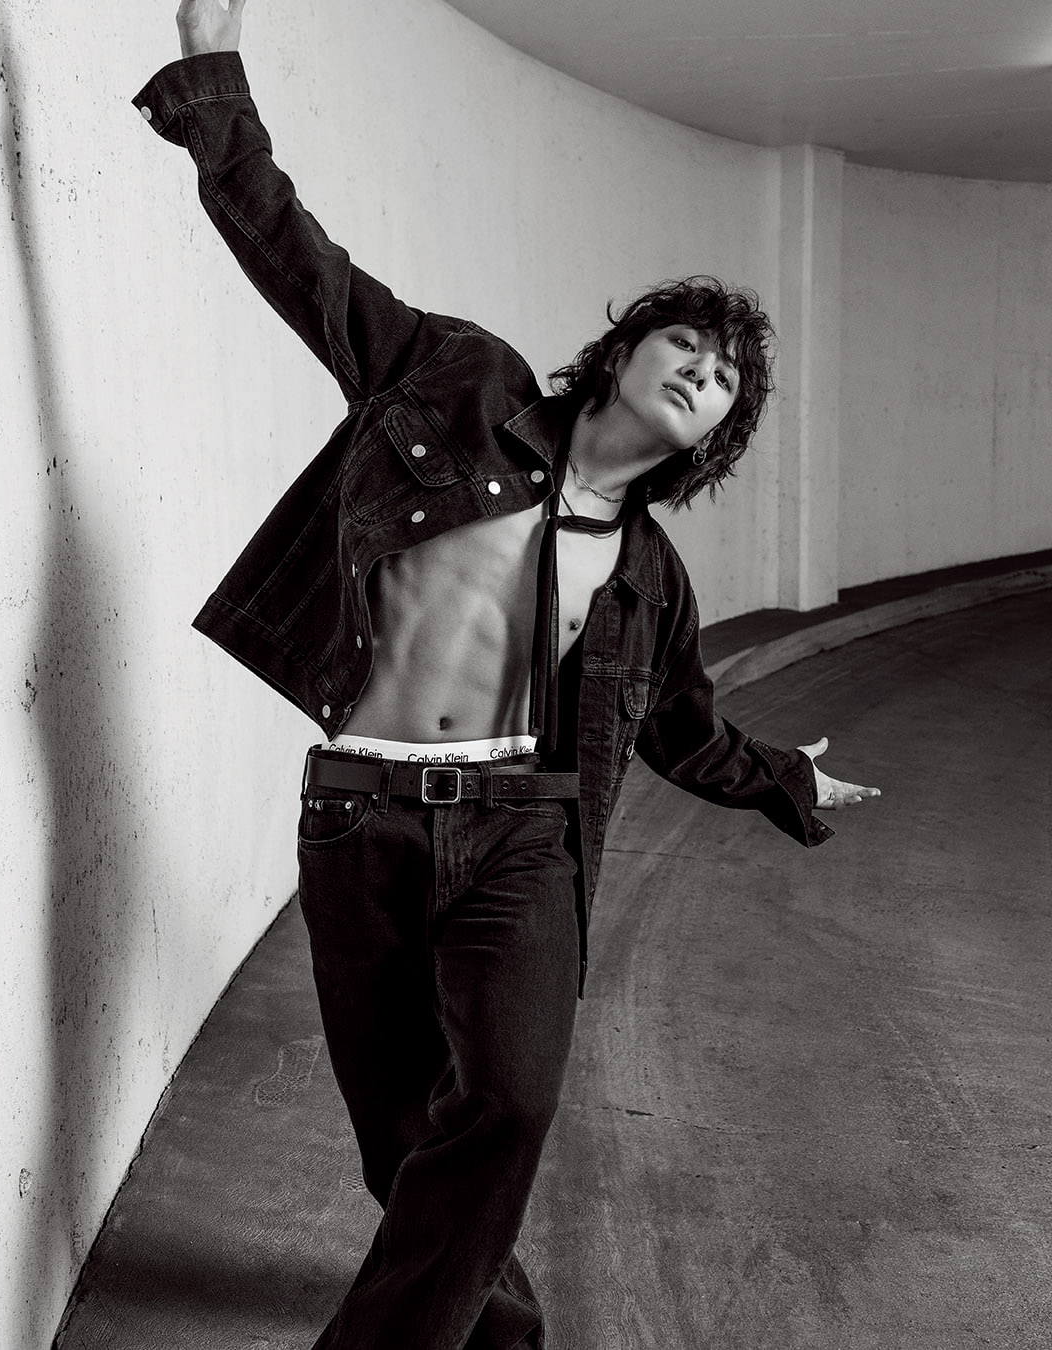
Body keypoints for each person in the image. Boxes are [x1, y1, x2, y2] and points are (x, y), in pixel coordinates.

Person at [134, 2, 880, 1347]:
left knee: (514, 1101)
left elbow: (686, 730)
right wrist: (212, 83)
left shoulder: (649, 578)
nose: (703, 369)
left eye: (725, 378)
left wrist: (783, 775)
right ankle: (500, 1332)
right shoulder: (458, 381)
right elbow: (305, 266)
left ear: (714, 437)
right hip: (360, 810)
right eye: (687, 342)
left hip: (522, 834)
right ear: (625, 349)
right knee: (401, 1138)